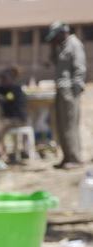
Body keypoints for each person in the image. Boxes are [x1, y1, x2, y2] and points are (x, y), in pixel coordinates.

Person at [46, 21, 87, 169]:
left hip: (69, 90)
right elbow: (55, 63)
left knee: (70, 124)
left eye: (56, 36)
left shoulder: (74, 44)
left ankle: (74, 158)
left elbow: (80, 68)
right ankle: (66, 156)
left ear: (63, 32)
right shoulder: (61, 46)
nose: (55, 40)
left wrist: (75, 90)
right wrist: (52, 48)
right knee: (61, 124)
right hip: (61, 89)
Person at [0, 66, 28, 165]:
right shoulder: (1, 89)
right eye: (2, 79)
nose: (3, 81)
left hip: (18, 119)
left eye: (5, 78)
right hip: (7, 119)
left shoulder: (16, 89)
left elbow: (7, 100)